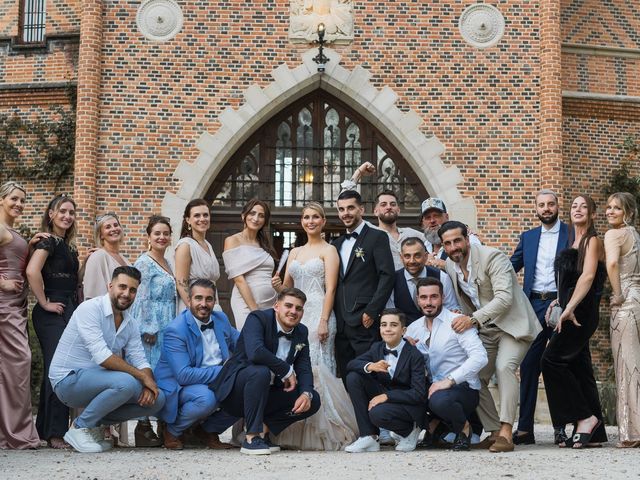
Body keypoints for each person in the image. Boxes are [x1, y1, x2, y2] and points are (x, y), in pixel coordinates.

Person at [438, 220, 540, 452]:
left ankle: (506, 431)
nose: (454, 247)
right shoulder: (451, 266)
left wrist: (472, 319)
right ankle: (493, 430)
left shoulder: (493, 257)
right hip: (487, 329)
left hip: (513, 326)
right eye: (448, 243)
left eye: (457, 240)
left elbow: (504, 298)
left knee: (504, 367)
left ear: (467, 239)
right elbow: (467, 300)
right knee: (473, 375)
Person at [49, 266, 166, 453]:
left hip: (98, 381)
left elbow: (140, 359)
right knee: (126, 383)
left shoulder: (130, 322)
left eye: (132, 290)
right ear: (110, 286)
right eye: (122, 287)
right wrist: (142, 378)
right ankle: (79, 427)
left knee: (158, 400)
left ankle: (93, 426)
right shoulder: (89, 309)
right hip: (67, 381)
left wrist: (148, 383)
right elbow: (102, 357)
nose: (126, 293)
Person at [271, 202, 357, 450]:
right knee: (294, 364)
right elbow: (288, 289)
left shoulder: (329, 250)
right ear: (302, 221)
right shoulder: (295, 252)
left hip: (319, 310)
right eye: (306, 217)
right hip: (297, 312)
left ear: (322, 221)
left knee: (318, 365)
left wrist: (322, 320)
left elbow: (331, 288)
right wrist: (278, 287)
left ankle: (326, 426)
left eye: (315, 217)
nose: (310, 221)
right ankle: (292, 425)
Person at [211, 288, 321, 455]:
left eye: (298, 308)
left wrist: (306, 393)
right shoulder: (258, 318)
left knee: (313, 399)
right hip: (237, 392)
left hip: (269, 393)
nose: (293, 312)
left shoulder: (301, 331)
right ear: (276, 306)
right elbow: (256, 352)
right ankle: (251, 438)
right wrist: (286, 370)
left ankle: (262, 431)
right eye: (288, 306)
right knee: (260, 371)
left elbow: (304, 366)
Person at [541, 194, 608, 449]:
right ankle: (596, 431)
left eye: (584, 207)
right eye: (574, 206)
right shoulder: (573, 239)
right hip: (569, 308)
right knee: (580, 367)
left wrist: (569, 307)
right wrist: (558, 301)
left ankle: (584, 417)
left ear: (592, 214)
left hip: (581, 312)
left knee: (551, 360)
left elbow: (588, 276)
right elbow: (567, 280)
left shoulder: (592, 241)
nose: (578, 210)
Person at [510, 189, 569, 445]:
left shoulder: (571, 234)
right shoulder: (528, 237)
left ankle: (561, 428)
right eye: (542, 205)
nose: (546, 208)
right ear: (536, 208)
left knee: (558, 366)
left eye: (550, 204)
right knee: (528, 365)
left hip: (561, 304)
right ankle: (524, 429)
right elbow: (510, 266)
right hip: (532, 304)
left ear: (558, 206)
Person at [154, 279, 239, 450]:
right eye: (198, 298)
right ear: (189, 300)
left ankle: (208, 431)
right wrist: (225, 372)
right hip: (180, 384)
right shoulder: (176, 330)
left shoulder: (220, 318)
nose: (203, 304)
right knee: (208, 398)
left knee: (247, 389)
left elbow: (243, 343)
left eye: (209, 299)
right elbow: (184, 375)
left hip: (213, 378)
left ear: (215, 301)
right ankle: (172, 430)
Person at [405, 278, 487, 451]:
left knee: (439, 400)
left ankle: (464, 429)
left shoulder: (457, 321)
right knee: (403, 398)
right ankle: (435, 425)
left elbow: (480, 357)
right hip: (430, 387)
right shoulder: (413, 328)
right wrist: (406, 352)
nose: (429, 302)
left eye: (434, 297)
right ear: (418, 300)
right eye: (424, 297)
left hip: (462, 388)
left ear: (442, 297)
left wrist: (449, 380)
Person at [26, 194, 81, 449]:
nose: (67, 216)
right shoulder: (47, 242)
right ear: (51, 214)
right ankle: (54, 432)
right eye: (62, 211)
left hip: (67, 308)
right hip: (50, 311)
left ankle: (46, 430)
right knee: (59, 368)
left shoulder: (69, 247)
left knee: (57, 368)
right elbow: (31, 270)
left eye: (71, 212)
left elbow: (72, 279)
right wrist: (44, 302)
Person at [332, 190, 395, 384]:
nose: (346, 213)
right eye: (341, 209)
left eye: (350, 208)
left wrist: (372, 311)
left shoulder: (377, 237)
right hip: (340, 322)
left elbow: (387, 275)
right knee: (347, 375)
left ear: (361, 209)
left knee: (370, 376)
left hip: (364, 321)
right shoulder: (336, 243)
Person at [343, 309, 426, 453]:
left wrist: (387, 396)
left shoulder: (414, 355)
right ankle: (369, 436)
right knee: (354, 377)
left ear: (403, 330)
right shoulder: (377, 347)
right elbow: (351, 364)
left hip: (407, 405)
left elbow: (418, 394)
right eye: (384, 325)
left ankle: (410, 431)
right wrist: (371, 366)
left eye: (393, 325)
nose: (388, 329)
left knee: (377, 413)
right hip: (387, 398)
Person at [129, 215, 177, 447]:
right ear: (148, 236)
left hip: (168, 323)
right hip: (152, 328)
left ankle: (162, 422)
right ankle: (143, 426)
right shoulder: (144, 263)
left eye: (165, 233)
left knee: (163, 373)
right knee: (149, 373)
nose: (161, 237)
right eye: (157, 233)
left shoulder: (167, 262)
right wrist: (148, 326)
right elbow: (142, 296)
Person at [0, 181, 40, 449]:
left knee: (8, 367)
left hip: (16, 304)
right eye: (14, 199)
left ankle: (9, 431)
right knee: (20, 361)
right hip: (3, 303)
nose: (19, 204)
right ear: (1, 199)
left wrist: (32, 244)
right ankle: (16, 432)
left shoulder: (9, 231)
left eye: (22, 200)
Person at [605, 192, 640, 448]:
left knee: (627, 366)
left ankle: (632, 433)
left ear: (627, 212)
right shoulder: (636, 236)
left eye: (616, 208)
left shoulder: (613, 235)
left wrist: (617, 294)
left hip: (626, 304)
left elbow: (613, 264)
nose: (609, 211)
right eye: (608, 207)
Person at [341, 163, 425, 269]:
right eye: (383, 204)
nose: (389, 207)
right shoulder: (368, 231)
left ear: (398, 210)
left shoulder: (414, 234)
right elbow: (344, 201)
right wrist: (359, 173)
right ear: (375, 211)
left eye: (393, 204)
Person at [222, 198, 278, 329]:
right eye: (252, 213)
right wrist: (255, 312)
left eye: (261, 215)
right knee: (251, 341)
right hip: (246, 304)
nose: (256, 218)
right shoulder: (232, 240)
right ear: (243, 216)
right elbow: (239, 280)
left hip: (270, 303)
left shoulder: (265, 244)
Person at [387, 237, 460, 323]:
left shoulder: (442, 277)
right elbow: (390, 314)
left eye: (417, 256)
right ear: (401, 257)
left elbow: (452, 308)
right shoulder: (392, 280)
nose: (412, 261)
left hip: (439, 330)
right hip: (406, 333)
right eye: (407, 256)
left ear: (425, 256)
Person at [175, 199, 220, 313]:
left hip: (210, 303)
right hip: (195, 307)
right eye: (197, 215)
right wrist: (194, 310)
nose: (202, 219)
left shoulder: (208, 245)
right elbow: (181, 284)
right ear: (188, 220)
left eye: (205, 215)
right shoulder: (185, 245)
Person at [420, 198, 481, 271]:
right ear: (423, 222)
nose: (432, 221)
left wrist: (446, 266)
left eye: (436, 216)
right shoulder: (422, 246)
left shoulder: (468, 240)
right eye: (427, 217)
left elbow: (478, 268)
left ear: (447, 217)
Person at [83, 212, 131, 299]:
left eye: (116, 225)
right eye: (108, 227)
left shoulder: (125, 260)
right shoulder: (97, 257)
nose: (114, 229)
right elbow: (91, 295)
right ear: (101, 235)